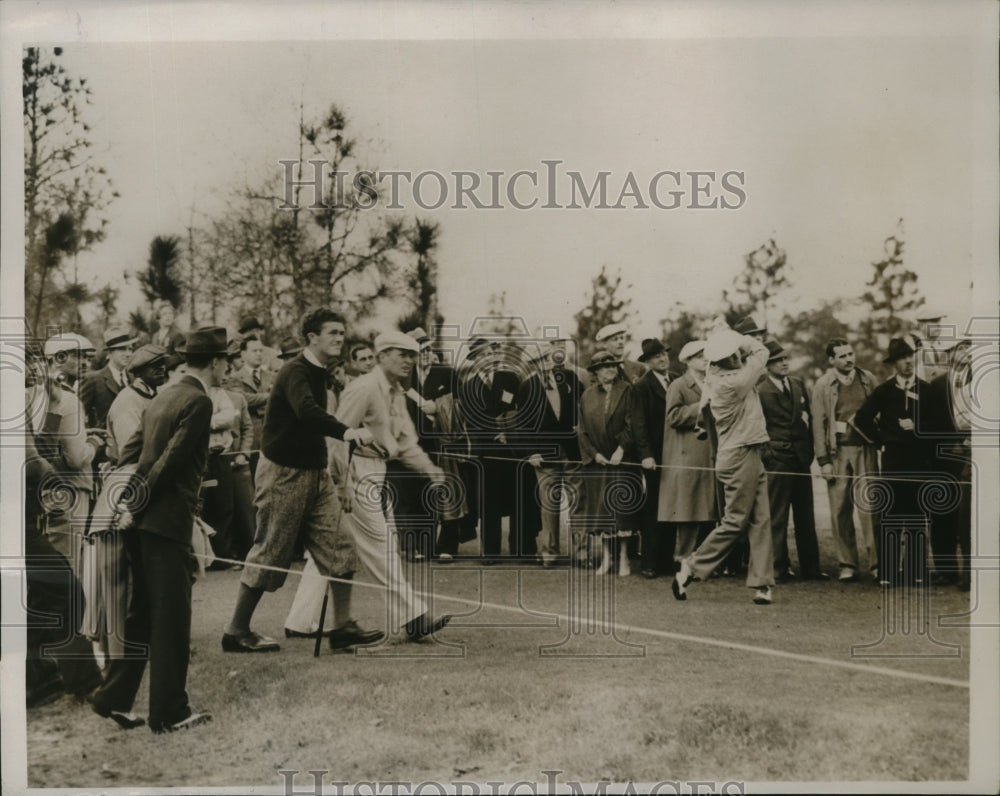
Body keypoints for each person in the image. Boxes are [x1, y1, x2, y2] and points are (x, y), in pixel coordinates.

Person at [89, 326, 229, 733]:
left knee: (142, 614)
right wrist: (135, 503)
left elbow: (130, 452)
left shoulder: (163, 393)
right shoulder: (198, 401)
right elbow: (168, 462)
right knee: (170, 619)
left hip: (141, 520)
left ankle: (112, 696)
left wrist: (122, 500)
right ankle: (170, 712)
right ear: (217, 363)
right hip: (164, 522)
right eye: (225, 360)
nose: (225, 367)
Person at [222, 309, 377, 654]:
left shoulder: (320, 372)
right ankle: (235, 631)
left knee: (342, 547)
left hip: (315, 474)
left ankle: (342, 628)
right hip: (283, 474)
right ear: (312, 339)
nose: (340, 338)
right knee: (270, 552)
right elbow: (306, 411)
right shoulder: (295, 371)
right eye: (332, 333)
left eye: (342, 332)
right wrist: (347, 431)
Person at [333, 331, 452, 639]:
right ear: (382, 356)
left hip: (376, 470)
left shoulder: (396, 392)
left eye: (412, 355)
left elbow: (405, 441)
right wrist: (341, 482)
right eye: (402, 354)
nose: (410, 361)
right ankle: (415, 617)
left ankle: (300, 621)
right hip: (354, 472)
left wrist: (431, 470)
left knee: (330, 547)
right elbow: (335, 437)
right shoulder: (364, 388)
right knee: (381, 547)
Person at [673, 329, 776, 605]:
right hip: (739, 455)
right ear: (727, 357)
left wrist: (725, 336)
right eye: (732, 353)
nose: (736, 356)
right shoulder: (733, 381)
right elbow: (762, 353)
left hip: (748, 450)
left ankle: (762, 583)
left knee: (761, 518)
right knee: (735, 521)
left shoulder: (716, 375)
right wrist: (736, 336)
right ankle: (691, 566)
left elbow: (756, 366)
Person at [853, 335, 934, 588]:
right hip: (893, 461)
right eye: (902, 358)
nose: (908, 362)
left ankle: (916, 570)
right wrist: (882, 440)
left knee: (917, 516)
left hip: (919, 462)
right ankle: (888, 572)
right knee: (891, 515)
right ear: (894, 364)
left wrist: (917, 427)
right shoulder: (885, 391)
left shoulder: (926, 389)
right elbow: (862, 419)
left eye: (910, 357)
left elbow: (938, 424)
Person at [810, 337, 880, 582]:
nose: (849, 359)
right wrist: (823, 461)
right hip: (837, 453)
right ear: (831, 360)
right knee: (839, 508)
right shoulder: (822, 385)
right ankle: (847, 564)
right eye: (842, 356)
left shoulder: (868, 379)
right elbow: (818, 425)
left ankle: (877, 564)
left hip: (865, 451)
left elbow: (879, 412)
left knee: (870, 506)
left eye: (850, 354)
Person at [757, 341, 826, 581]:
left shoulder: (796, 384)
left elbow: (805, 420)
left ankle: (811, 568)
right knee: (777, 517)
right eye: (778, 360)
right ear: (767, 365)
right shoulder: (760, 390)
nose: (785, 363)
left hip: (800, 460)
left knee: (806, 516)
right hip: (777, 461)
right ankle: (778, 568)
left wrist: (807, 453)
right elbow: (758, 427)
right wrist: (769, 455)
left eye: (786, 358)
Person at [513, 342, 582, 567]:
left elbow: (585, 404)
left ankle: (581, 552)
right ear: (532, 365)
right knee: (549, 505)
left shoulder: (570, 378)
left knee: (577, 501)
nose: (546, 362)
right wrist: (531, 452)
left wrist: (580, 427)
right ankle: (550, 552)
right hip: (544, 454)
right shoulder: (527, 387)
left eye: (547, 357)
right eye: (540, 360)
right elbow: (522, 424)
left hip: (572, 451)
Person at [455, 337, 521, 563]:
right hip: (486, 452)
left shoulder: (510, 378)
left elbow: (516, 409)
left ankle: (519, 548)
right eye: (480, 356)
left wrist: (509, 432)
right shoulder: (469, 386)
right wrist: (495, 434)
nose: (486, 359)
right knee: (488, 503)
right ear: (474, 360)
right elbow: (473, 420)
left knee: (516, 501)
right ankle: (490, 551)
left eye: (488, 354)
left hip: (512, 450)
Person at [577, 351, 641, 576]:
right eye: (605, 367)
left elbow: (633, 423)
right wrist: (594, 455)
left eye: (613, 366)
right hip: (598, 463)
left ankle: (624, 558)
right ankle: (606, 557)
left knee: (621, 512)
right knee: (600, 512)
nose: (611, 370)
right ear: (595, 372)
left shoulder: (627, 390)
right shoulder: (587, 396)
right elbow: (582, 431)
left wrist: (621, 449)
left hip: (621, 460)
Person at [659, 340, 718, 565]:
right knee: (688, 511)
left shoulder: (712, 383)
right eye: (700, 356)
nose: (705, 359)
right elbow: (673, 416)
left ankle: (701, 560)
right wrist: (702, 409)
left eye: (707, 355)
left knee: (708, 509)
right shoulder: (679, 385)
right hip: (687, 456)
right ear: (688, 361)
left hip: (710, 455)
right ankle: (682, 556)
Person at [921, 337, 973, 589]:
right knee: (942, 513)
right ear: (949, 354)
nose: (966, 351)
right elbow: (929, 425)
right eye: (961, 347)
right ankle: (946, 570)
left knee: (968, 517)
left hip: (972, 457)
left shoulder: (983, 382)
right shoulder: (937, 385)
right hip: (943, 459)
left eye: (969, 346)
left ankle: (970, 573)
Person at [631, 338, 674, 578]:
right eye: (656, 356)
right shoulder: (642, 386)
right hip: (654, 456)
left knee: (672, 508)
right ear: (647, 362)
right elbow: (638, 424)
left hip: (675, 453)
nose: (662, 358)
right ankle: (649, 562)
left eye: (664, 354)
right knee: (653, 508)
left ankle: (667, 561)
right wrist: (645, 455)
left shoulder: (676, 379)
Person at [227, 334, 274, 471]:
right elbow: (244, 399)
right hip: (250, 437)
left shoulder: (270, 376)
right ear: (243, 353)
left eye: (261, 350)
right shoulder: (235, 378)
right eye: (254, 351)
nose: (259, 354)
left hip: (270, 434)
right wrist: (269, 396)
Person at [80, 327, 138, 429]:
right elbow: (79, 415)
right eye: (122, 349)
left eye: (130, 349)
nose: (128, 354)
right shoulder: (94, 379)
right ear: (110, 353)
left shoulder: (134, 379)